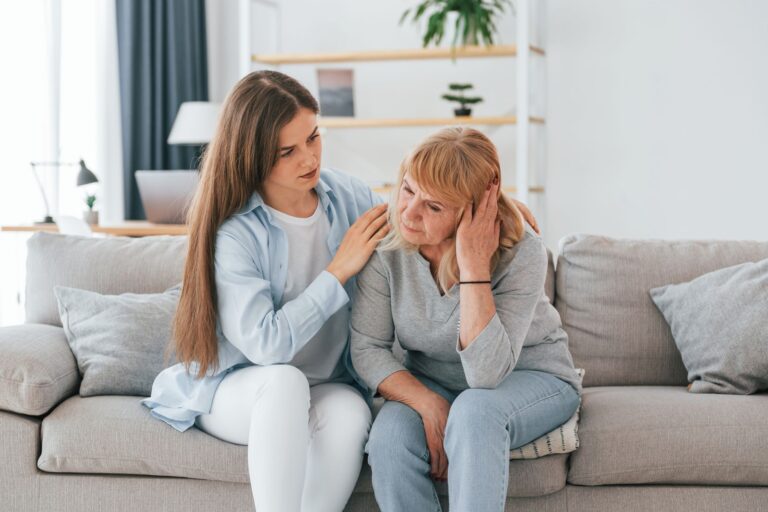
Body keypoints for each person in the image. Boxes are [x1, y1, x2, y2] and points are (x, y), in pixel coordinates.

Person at [142, 70, 390, 512]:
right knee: (284, 382)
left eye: (314, 137)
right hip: (242, 388)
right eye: (287, 152)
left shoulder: (348, 196)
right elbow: (266, 344)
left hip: (330, 384)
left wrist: (494, 208)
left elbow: (414, 224)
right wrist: (336, 273)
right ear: (253, 158)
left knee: (352, 416)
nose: (309, 158)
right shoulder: (236, 233)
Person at [350, 127, 582, 512]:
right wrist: (427, 402)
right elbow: (367, 348)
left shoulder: (522, 252)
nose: (408, 213)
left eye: (434, 206)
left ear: (473, 211)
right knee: (389, 438)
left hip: (532, 377)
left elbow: (485, 377)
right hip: (433, 382)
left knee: (474, 411)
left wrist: (474, 266)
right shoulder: (386, 247)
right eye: (408, 190)